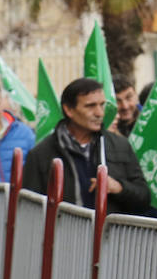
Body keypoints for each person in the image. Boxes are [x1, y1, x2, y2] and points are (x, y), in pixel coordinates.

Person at [22, 77, 150, 214]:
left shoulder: (120, 145)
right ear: (69, 110)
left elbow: (144, 196)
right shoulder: (41, 154)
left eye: (102, 105)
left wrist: (119, 188)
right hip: (64, 233)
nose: (99, 113)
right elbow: (30, 210)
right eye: (90, 106)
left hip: (109, 234)